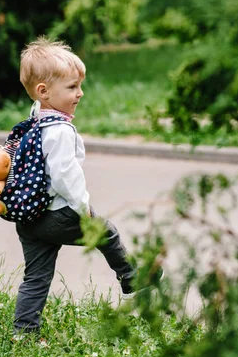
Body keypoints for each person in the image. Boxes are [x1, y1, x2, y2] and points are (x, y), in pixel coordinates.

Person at [12, 37, 154, 335]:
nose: (80, 93)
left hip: (29, 218)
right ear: (44, 91)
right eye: (72, 87)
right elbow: (65, 176)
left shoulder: (35, 122)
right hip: (58, 215)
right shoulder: (60, 130)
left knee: (35, 278)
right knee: (107, 233)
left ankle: (24, 333)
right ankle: (133, 281)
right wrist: (83, 210)